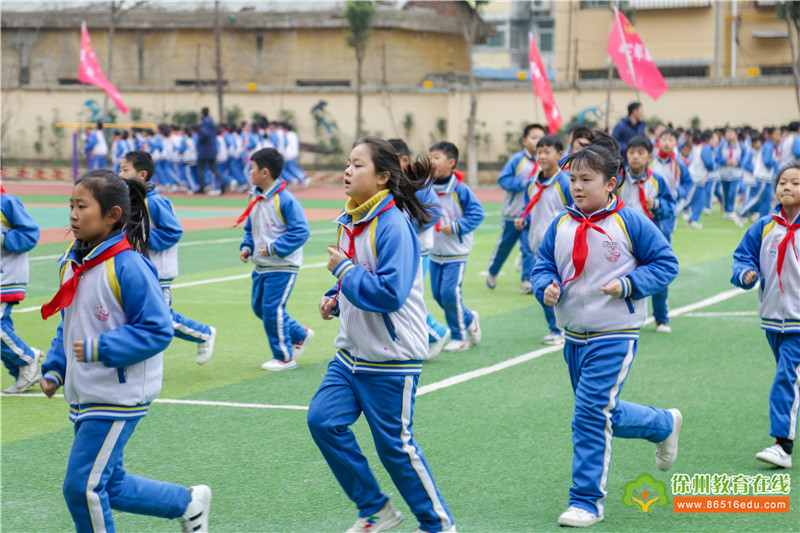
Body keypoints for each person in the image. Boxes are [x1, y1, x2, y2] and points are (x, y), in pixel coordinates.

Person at [38, 169, 211, 533]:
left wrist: (102, 348)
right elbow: (70, 322)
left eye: (82, 206)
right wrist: (56, 366)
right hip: (88, 390)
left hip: (117, 393)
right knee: (108, 483)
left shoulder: (128, 266)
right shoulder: (76, 261)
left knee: (82, 488)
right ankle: (187, 503)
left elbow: (157, 329)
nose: (72, 214)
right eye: (70, 205)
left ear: (113, 215)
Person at [531, 133, 681, 528]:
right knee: (600, 411)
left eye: (587, 180)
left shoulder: (629, 220)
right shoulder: (561, 223)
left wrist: (628, 285)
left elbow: (666, 264)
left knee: (588, 414)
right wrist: (544, 285)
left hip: (615, 333)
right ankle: (663, 423)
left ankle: (586, 502)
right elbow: (543, 263)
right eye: (573, 179)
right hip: (573, 336)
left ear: (611, 183)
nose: (577, 187)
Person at [308, 136, 456, 533]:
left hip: (391, 357)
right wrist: (335, 297)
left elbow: (389, 294)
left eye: (358, 165)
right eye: (348, 163)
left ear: (382, 178)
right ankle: (375, 507)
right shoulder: (349, 220)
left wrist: (343, 273)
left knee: (395, 449)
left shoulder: (394, 225)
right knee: (322, 421)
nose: (348, 170)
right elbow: (356, 280)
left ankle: (438, 525)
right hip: (349, 356)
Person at [731, 163, 800, 469]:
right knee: (792, 378)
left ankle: (782, 445)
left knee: (786, 377)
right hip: (773, 318)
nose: (787, 187)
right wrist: (745, 272)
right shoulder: (764, 227)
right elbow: (743, 255)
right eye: (782, 182)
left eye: (795, 183)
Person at [119, 150, 217, 364]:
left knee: (162, 319)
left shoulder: (155, 202)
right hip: (138, 271)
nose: (120, 174)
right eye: (120, 169)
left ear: (142, 175)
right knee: (133, 316)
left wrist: (142, 238)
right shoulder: (129, 202)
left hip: (158, 271)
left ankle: (204, 333)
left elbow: (172, 232)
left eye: (125, 170)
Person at [236, 148, 313, 371]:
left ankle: (285, 357)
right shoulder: (255, 197)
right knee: (259, 307)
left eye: (252, 168)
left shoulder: (285, 200)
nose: (249, 172)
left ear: (265, 172)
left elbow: (300, 231)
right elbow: (251, 228)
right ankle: (300, 334)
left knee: (272, 309)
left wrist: (274, 248)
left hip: (282, 265)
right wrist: (247, 246)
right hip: (262, 265)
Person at [388, 138, 450, 358]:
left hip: (418, 249)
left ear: (404, 160)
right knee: (399, 296)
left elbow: (433, 212)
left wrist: (407, 228)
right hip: (404, 248)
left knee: (405, 297)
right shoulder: (394, 179)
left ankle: (436, 332)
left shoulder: (416, 181)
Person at [513, 134, 571, 345]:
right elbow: (529, 209)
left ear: (560, 155)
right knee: (545, 288)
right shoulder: (532, 183)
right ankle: (555, 329)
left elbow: (575, 210)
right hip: (539, 246)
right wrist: (523, 219)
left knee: (560, 287)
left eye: (547, 152)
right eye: (539, 152)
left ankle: (563, 328)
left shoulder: (565, 182)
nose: (542, 156)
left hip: (563, 246)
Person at [428, 141, 485, 352]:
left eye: (436, 157)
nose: (431, 161)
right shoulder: (426, 187)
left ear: (451, 163)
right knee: (438, 294)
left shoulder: (460, 189)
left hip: (455, 253)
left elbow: (477, 214)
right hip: (435, 252)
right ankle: (470, 318)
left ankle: (460, 336)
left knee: (450, 293)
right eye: (430, 157)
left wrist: (457, 226)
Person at [617, 135, 677, 333]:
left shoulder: (657, 180)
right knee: (625, 276)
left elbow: (670, 206)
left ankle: (661, 318)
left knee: (658, 276)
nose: (635, 157)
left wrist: (657, 204)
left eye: (640, 153)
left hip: (652, 236)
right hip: (624, 237)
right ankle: (627, 316)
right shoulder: (618, 180)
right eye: (631, 152)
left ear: (649, 156)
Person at [487, 123, 545, 292]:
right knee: (504, 246)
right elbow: (503, 180)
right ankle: (493, 271)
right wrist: (523, 183)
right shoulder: (517, 160)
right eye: (534, 138)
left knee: (528, 248)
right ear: (525, 141)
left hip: (531, 215)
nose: (538, 142)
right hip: (512, 214)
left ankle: (527, 280)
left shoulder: (545, 163)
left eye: (541, 138)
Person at [1, 186, 42, 394]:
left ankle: (28, 358)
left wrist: (3, 239)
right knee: (3, 327)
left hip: (6, 276)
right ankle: (21, 372)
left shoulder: (6, 202)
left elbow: (30, 234)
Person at [686, 130, 718, 229]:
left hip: (699, 179)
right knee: (687, 201)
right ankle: (672, 214)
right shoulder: (705, 148)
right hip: (696, 178)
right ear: (709, 139)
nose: (715, 141)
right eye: (714, 138)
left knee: (701, 200)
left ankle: (693, 220)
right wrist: (715, 167)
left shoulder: (699, 147)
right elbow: (709, 163)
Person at [717, 127, 744, 222]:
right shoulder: (722, 146)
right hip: (724, 174)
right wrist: (725, 161)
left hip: (735, 174)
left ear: (735, 135)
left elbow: (744, 159)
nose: (729, 136)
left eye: (730, 134)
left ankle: (731, 210)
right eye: (727, 134)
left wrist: (738, 162)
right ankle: (727, 211)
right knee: (725, 193)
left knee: (732, 193)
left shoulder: (741, 146)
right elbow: (717, 158)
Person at [196, 107, 224, 194]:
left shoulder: (204, 123)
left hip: (204, 149)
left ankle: (202, 187)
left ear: (202, 113)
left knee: (201, 168)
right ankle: (222, 184)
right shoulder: (212, 123)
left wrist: (199, 140)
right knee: (214, 168)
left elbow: (205, 135)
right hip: (212, 148)